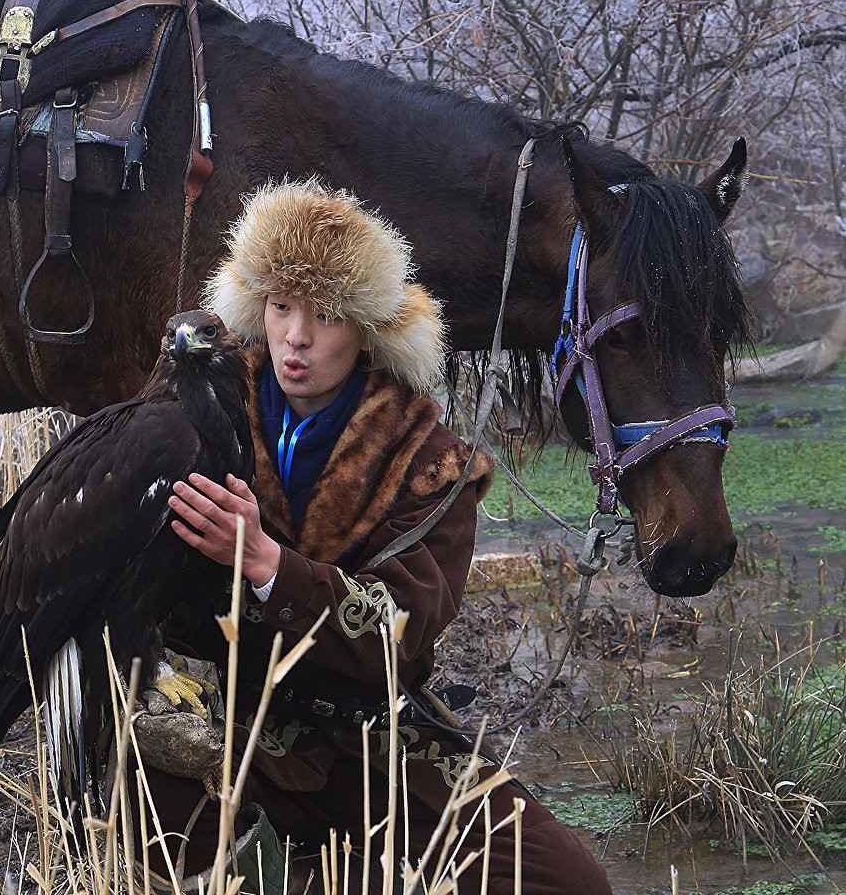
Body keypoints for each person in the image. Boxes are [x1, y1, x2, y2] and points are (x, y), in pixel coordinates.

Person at [136, 179, 611, 893]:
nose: (296, 337)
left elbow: (401, 631)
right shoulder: (194, 409)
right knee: (130, 804)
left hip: (379, 737)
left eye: (326, 314)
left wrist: (268, 565)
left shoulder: (429, 461)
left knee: (568, 884)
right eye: (282, 305)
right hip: (237, 729)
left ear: (367, 328)